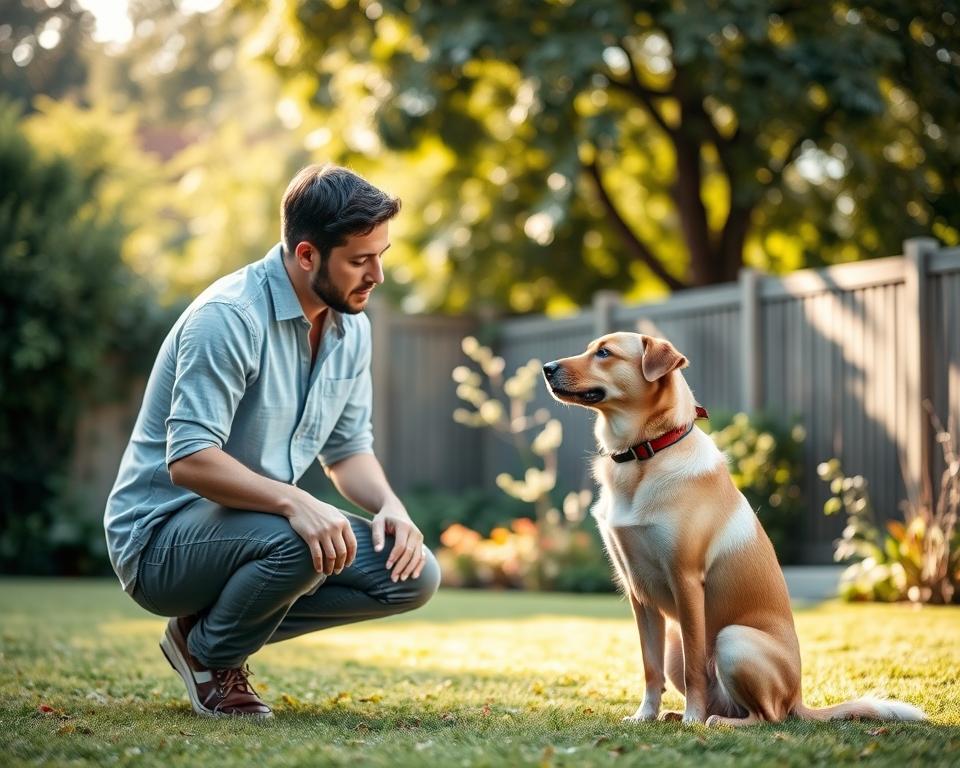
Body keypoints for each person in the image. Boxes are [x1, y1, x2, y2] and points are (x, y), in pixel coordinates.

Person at [104, 164, 440, 719]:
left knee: (412, 573)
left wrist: (392, 507)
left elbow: (348, 450)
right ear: (307, 255)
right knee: (302, 537)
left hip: (255, 530)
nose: (377, 274)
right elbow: (189, 461)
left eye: (381, 254)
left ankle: (206, 629)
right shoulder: (229, 317)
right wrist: (297, 502)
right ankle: (211, 656)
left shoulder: (351, 326)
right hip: (159, 541)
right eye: (359, 259)